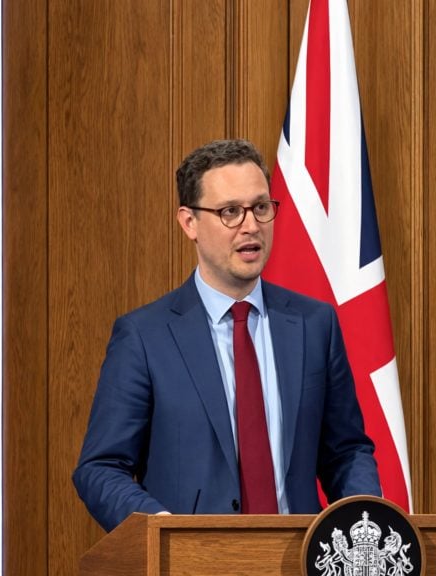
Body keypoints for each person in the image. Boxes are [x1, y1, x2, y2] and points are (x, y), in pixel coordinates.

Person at [72, 139, 381, 533]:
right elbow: (100, 468)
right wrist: (165, 532)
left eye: (261, 208)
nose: (251, 226)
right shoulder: (144, 337)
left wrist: (369, 524)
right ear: (189, 223)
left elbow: (346, 451)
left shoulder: (314, 324)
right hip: (193, 564)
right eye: (230, 212)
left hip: (301, 557)